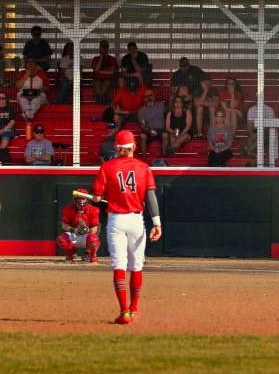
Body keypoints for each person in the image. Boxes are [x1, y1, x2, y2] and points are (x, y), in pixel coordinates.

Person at [89, 130, 163, 325]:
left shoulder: (107, 167)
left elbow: (96, 197)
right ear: (134, 147)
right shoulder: (144, 167)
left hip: (116, 220)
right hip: (137, 220)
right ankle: (134, 308)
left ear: (117, 148)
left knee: (119, 265)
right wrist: (157, 223)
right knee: (137, 266)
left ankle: (124, 312)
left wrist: (98, 198)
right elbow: (150, 197)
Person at [58, 191, 101, 263]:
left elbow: (95, 228)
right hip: (74, 233)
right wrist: (74, 230)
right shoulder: (68, 209)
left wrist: (87, 230)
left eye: (83, 199)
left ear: (87, 199)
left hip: (87, 235)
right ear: (75, 199)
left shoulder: (94, 210)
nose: (81, 201)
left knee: (93, 239)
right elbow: (64, 226)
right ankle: (70, 254)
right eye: (79, 199)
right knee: (61, 239)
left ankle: (91, 255)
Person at [163, 91, 196, 157]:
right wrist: (173, 132)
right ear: (174, 103)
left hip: (185, 133)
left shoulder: (187, 111)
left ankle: (169, 152)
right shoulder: (170, 113)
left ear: (182, 103)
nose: (178, 104)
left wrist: (181, 134)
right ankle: (172, 154)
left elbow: (188, 126)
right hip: (174, 132)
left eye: (180, 102)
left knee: (179, 140)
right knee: (172, 137)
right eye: (176, 102)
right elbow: (167, 127)